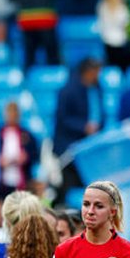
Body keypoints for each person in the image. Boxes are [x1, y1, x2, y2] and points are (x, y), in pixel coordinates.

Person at [54, 57, 103, 203]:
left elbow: (101, 112)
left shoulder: (97, 89)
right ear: (87, 72)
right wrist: (83, 126)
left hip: (89, 148)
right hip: (69, 150)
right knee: (69, 188)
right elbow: (62, 119)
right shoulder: (68, 90)